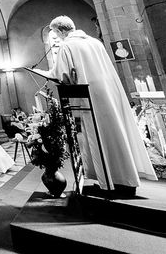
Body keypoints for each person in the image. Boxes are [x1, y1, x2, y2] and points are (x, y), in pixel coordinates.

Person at [36, 15, 156, 195]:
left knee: (97, 135)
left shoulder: (67, 46)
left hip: (88, 99)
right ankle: (124, 177)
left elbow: (62, 76)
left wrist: (41, 72)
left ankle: (107, 181)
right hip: (108, 95)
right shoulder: (95, 43)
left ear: (60, 31)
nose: (56, 37)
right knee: (115, 133)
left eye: (55, 33)